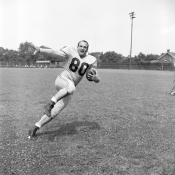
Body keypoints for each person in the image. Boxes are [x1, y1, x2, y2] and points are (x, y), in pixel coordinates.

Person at [28, 40, 100, 139]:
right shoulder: (71, 51)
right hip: (62, 80)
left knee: (54, 111)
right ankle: (50, 103)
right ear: (77, 46)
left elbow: (96, 77)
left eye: (85, 47)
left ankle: (35, 127)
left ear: (87, 49)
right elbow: (55, 52)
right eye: (81, 46)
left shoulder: (91, 60)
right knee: (71, 87)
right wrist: (40, 50)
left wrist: (96, 79)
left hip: (69, 90)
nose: (82, 48)